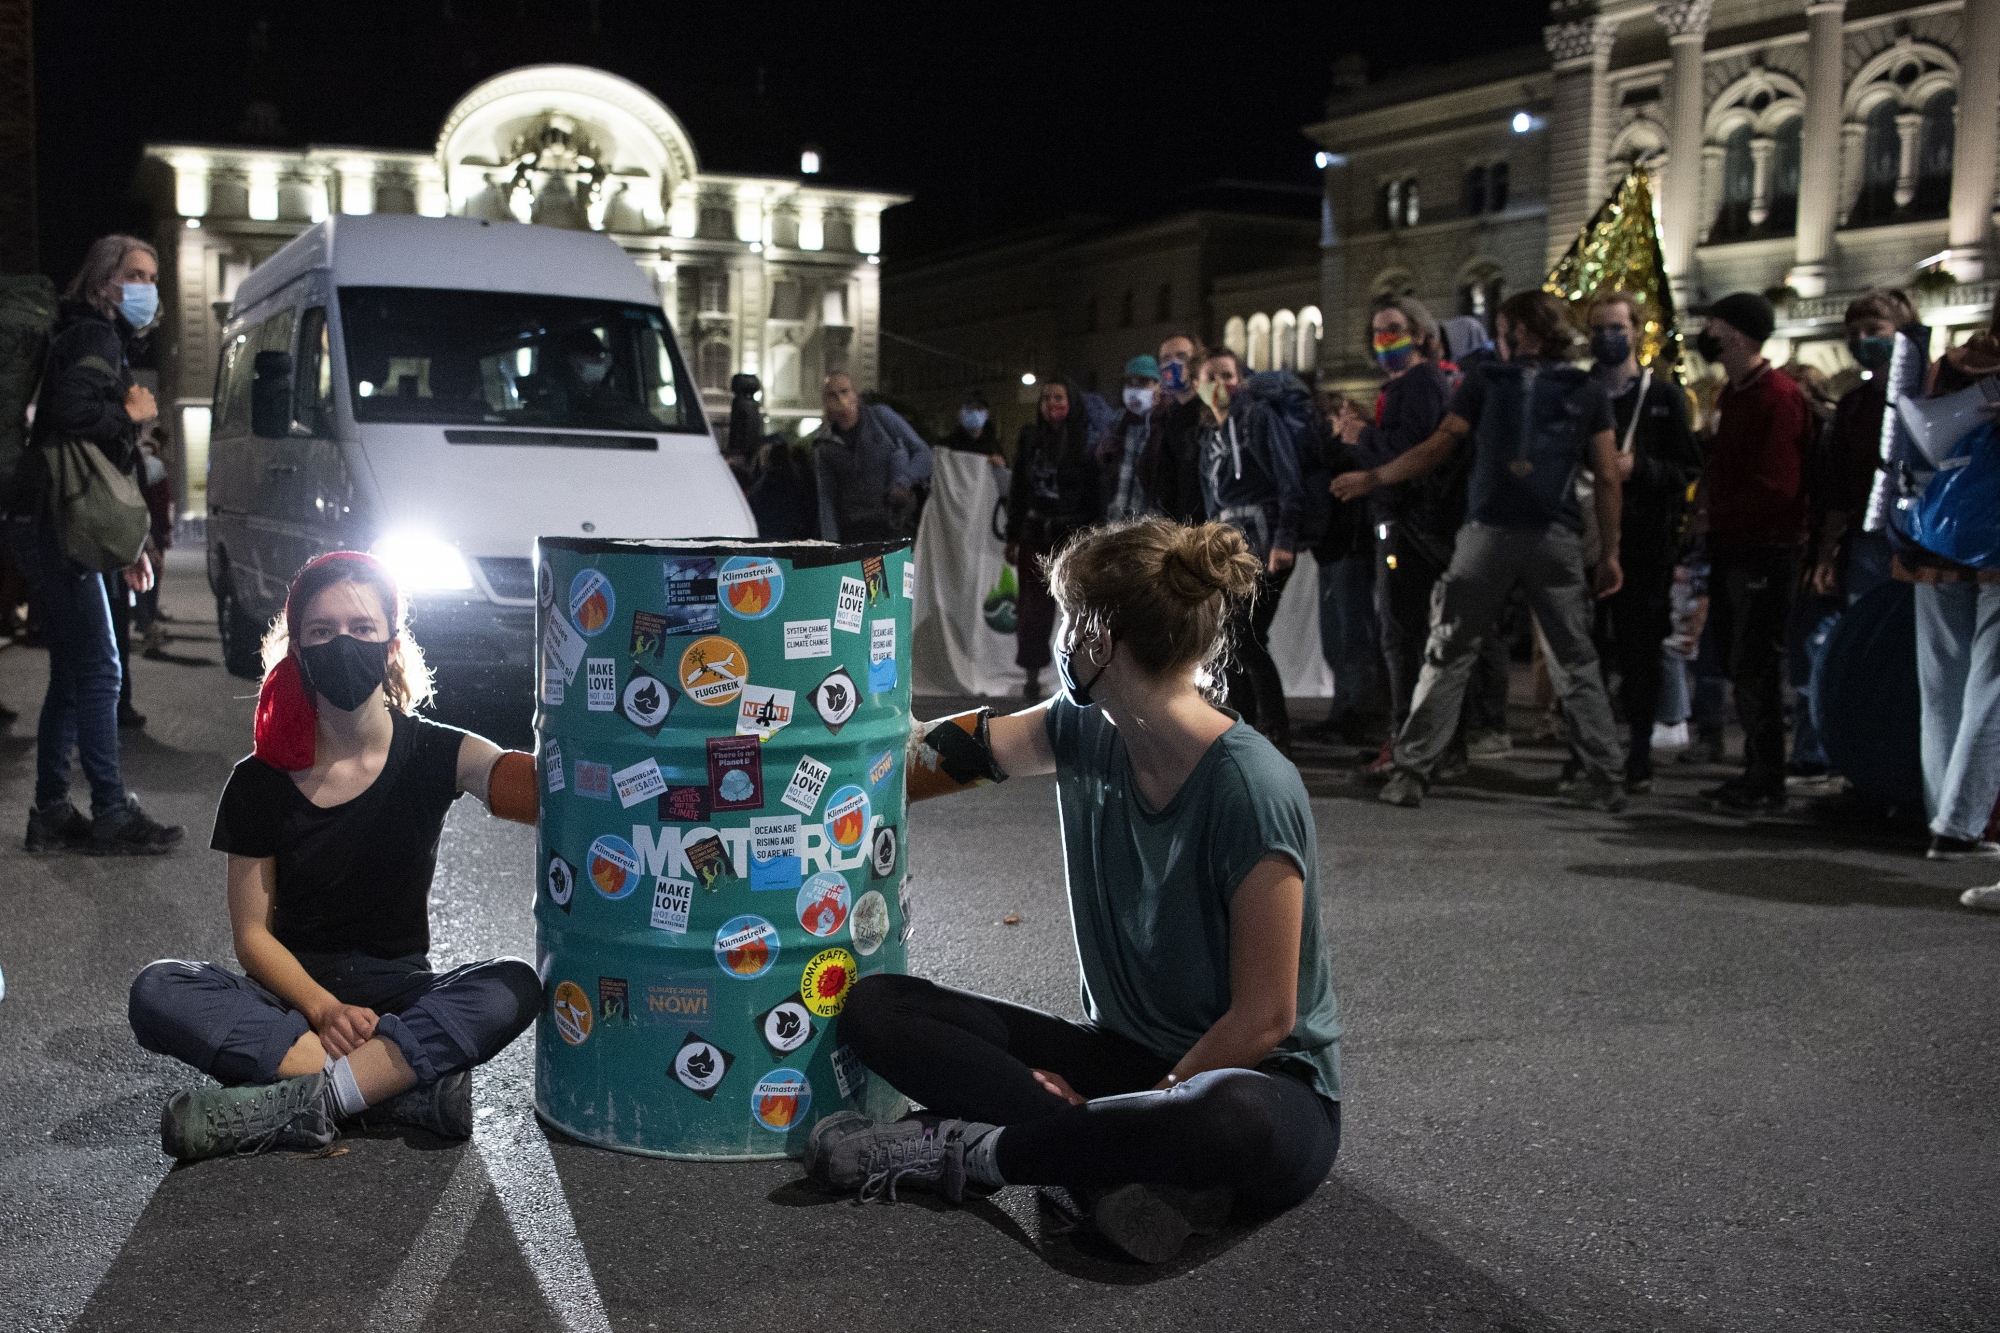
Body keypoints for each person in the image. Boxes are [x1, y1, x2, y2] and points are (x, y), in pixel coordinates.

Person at [804, 519, 1341, 1264]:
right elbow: (933, 760)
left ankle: (978, 1152)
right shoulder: (1081, 725)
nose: (1057, 636)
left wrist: (1148, 1101)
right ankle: (1110, 1165)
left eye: (1063, 615)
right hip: (1121, 1054)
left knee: (1229, 1117)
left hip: (1252, 1083)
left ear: (1099, 637)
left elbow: (1265, 1017)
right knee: (879, 1007)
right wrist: (804, 768)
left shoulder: (1252, 787)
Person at [127, 552, 543, 1160]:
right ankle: (390, 1092)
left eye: (362, 629)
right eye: (321, 633)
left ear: (392, 647)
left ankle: (306, 1099)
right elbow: (252, 937)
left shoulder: (438, 752)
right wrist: (323, 1010)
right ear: (297, 650)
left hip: (399, 991)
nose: (342, 644)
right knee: (157, 990)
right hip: (290, 997)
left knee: (512, 985)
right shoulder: (258, 780)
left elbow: (532, 790)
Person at [1333, 289, 1628, 811]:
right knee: (1574, 658)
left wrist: (1374, 475)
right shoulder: (1586, 390)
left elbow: (1436, 448)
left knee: (1447, 653)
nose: (1498, 339)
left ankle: (1412, 771)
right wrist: (1608, 552)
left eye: (1502, 330)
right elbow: (1607, 477)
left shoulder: (1485, 381)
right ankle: (1606, 776)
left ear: (1519, 333)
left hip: (1487, 532)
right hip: (1553, 536)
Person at [6, 234, 182, 855]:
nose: (146, 288)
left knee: (71, 672)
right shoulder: (94, 337)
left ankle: (52, 811)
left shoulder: (77, 335)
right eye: (135, 274)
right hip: (62, 526)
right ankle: (109, 810)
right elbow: (71, 414)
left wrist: (130, 545)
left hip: (47, 522)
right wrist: (132, 418)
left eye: (152, 277)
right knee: (103, 669)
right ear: (104, 279)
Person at [1692, 292, 1816, 813]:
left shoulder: (1775, 396)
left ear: (1738, 333)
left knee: (1758, 664)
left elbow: (1778, 486)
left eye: (1714, 325)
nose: (1708, 335)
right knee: (1742, 663)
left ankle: (1767, 778)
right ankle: (1755, 771)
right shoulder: (1736, 393)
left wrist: (1719, 515)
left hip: (1764, 550)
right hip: (1734, 546)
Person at [1584, 292, 1702, 791]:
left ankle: (1637, 755)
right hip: (1587, 535)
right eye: (1599, 328)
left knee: (1640, 651)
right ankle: (1587, 752)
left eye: (1618, 327)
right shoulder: (1581, 390)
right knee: (1587, 651)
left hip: (1645, 539)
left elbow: (1687, 467)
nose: (1608, 337)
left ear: (1636, 331)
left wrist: (1642, 469)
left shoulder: (1663, 397)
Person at [1338, 297, 1454, 774]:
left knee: (1402, 637)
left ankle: (1408, 744)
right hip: (1398, 523)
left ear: (1421, 333)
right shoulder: (1405, 384)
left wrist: (1359, 438)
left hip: (1409, 527)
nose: (1383, 340)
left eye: (1394, 329)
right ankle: (1407, 738)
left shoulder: (1424, 381)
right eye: (1378, 331)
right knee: (1400, 636)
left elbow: (1413, 451)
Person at [1194, 349, 1306, 752]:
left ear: (1240, 379)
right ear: (1197, 386)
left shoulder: (1259, 418)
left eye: (1227, 375)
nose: (1220, 384)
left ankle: (1274, 728)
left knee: (1246, 635)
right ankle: (1242, 725)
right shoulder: (1209, 435)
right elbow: (1211, 500)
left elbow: (1288, 478)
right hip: (1227, 548)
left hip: (1262, 540)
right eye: (1211, 376)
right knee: (1230, 635)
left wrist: (1283, 539)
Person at [1299, 389, 1384, 748]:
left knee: (1352, 636)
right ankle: (1344, 711)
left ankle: (1357, 715)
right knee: (1338, 637)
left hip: (1349, 549)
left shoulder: (1351, 449)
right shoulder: (1336, 449)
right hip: (1336, 550)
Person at [1005, 378, 1100, 697]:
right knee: (1032, 609)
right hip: (1035, 533)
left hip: (1073, 536)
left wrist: (1095, 539)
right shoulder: (1030, 438)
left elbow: (1097, 496)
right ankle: (1032, 675)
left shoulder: (1087, 440)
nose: (1051, 403)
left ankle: (1083, 671)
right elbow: (1018, 487)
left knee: (1078, 606)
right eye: (1046, 397)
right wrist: (1012, 535)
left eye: (1059, 396)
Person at [813, 371, 917, 543]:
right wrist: (830, 543)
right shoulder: (824, 443)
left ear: (855, 394)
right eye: (832, 394)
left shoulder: (879, 419)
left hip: (892, 525)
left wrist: (904, 481)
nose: (839, 398)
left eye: (844, 391)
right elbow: (826, 496)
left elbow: (921, 452)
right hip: (854, 530)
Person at [1139, 334, 1208, 525]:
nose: (1173, 364)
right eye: (1166, 359)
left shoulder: (1210, 412)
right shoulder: (1165, 418)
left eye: (1182, 357)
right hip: (1179, 527)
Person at [1096, 355, 1160, 521]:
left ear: (1158, 386)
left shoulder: (1163, 425)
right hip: (1117, 516)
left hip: (1150, 522)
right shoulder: (1118, 421)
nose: (1134, 388)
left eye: (1143, 382)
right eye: (1129, 383)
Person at [940, 391, 1006, 467]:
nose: (975, 413)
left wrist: (1001, 465)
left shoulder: (993, 447)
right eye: (969, 408)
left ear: (987, 414)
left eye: (979, 408)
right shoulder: (946, 445)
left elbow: (1006, 473)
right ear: (959, 413)